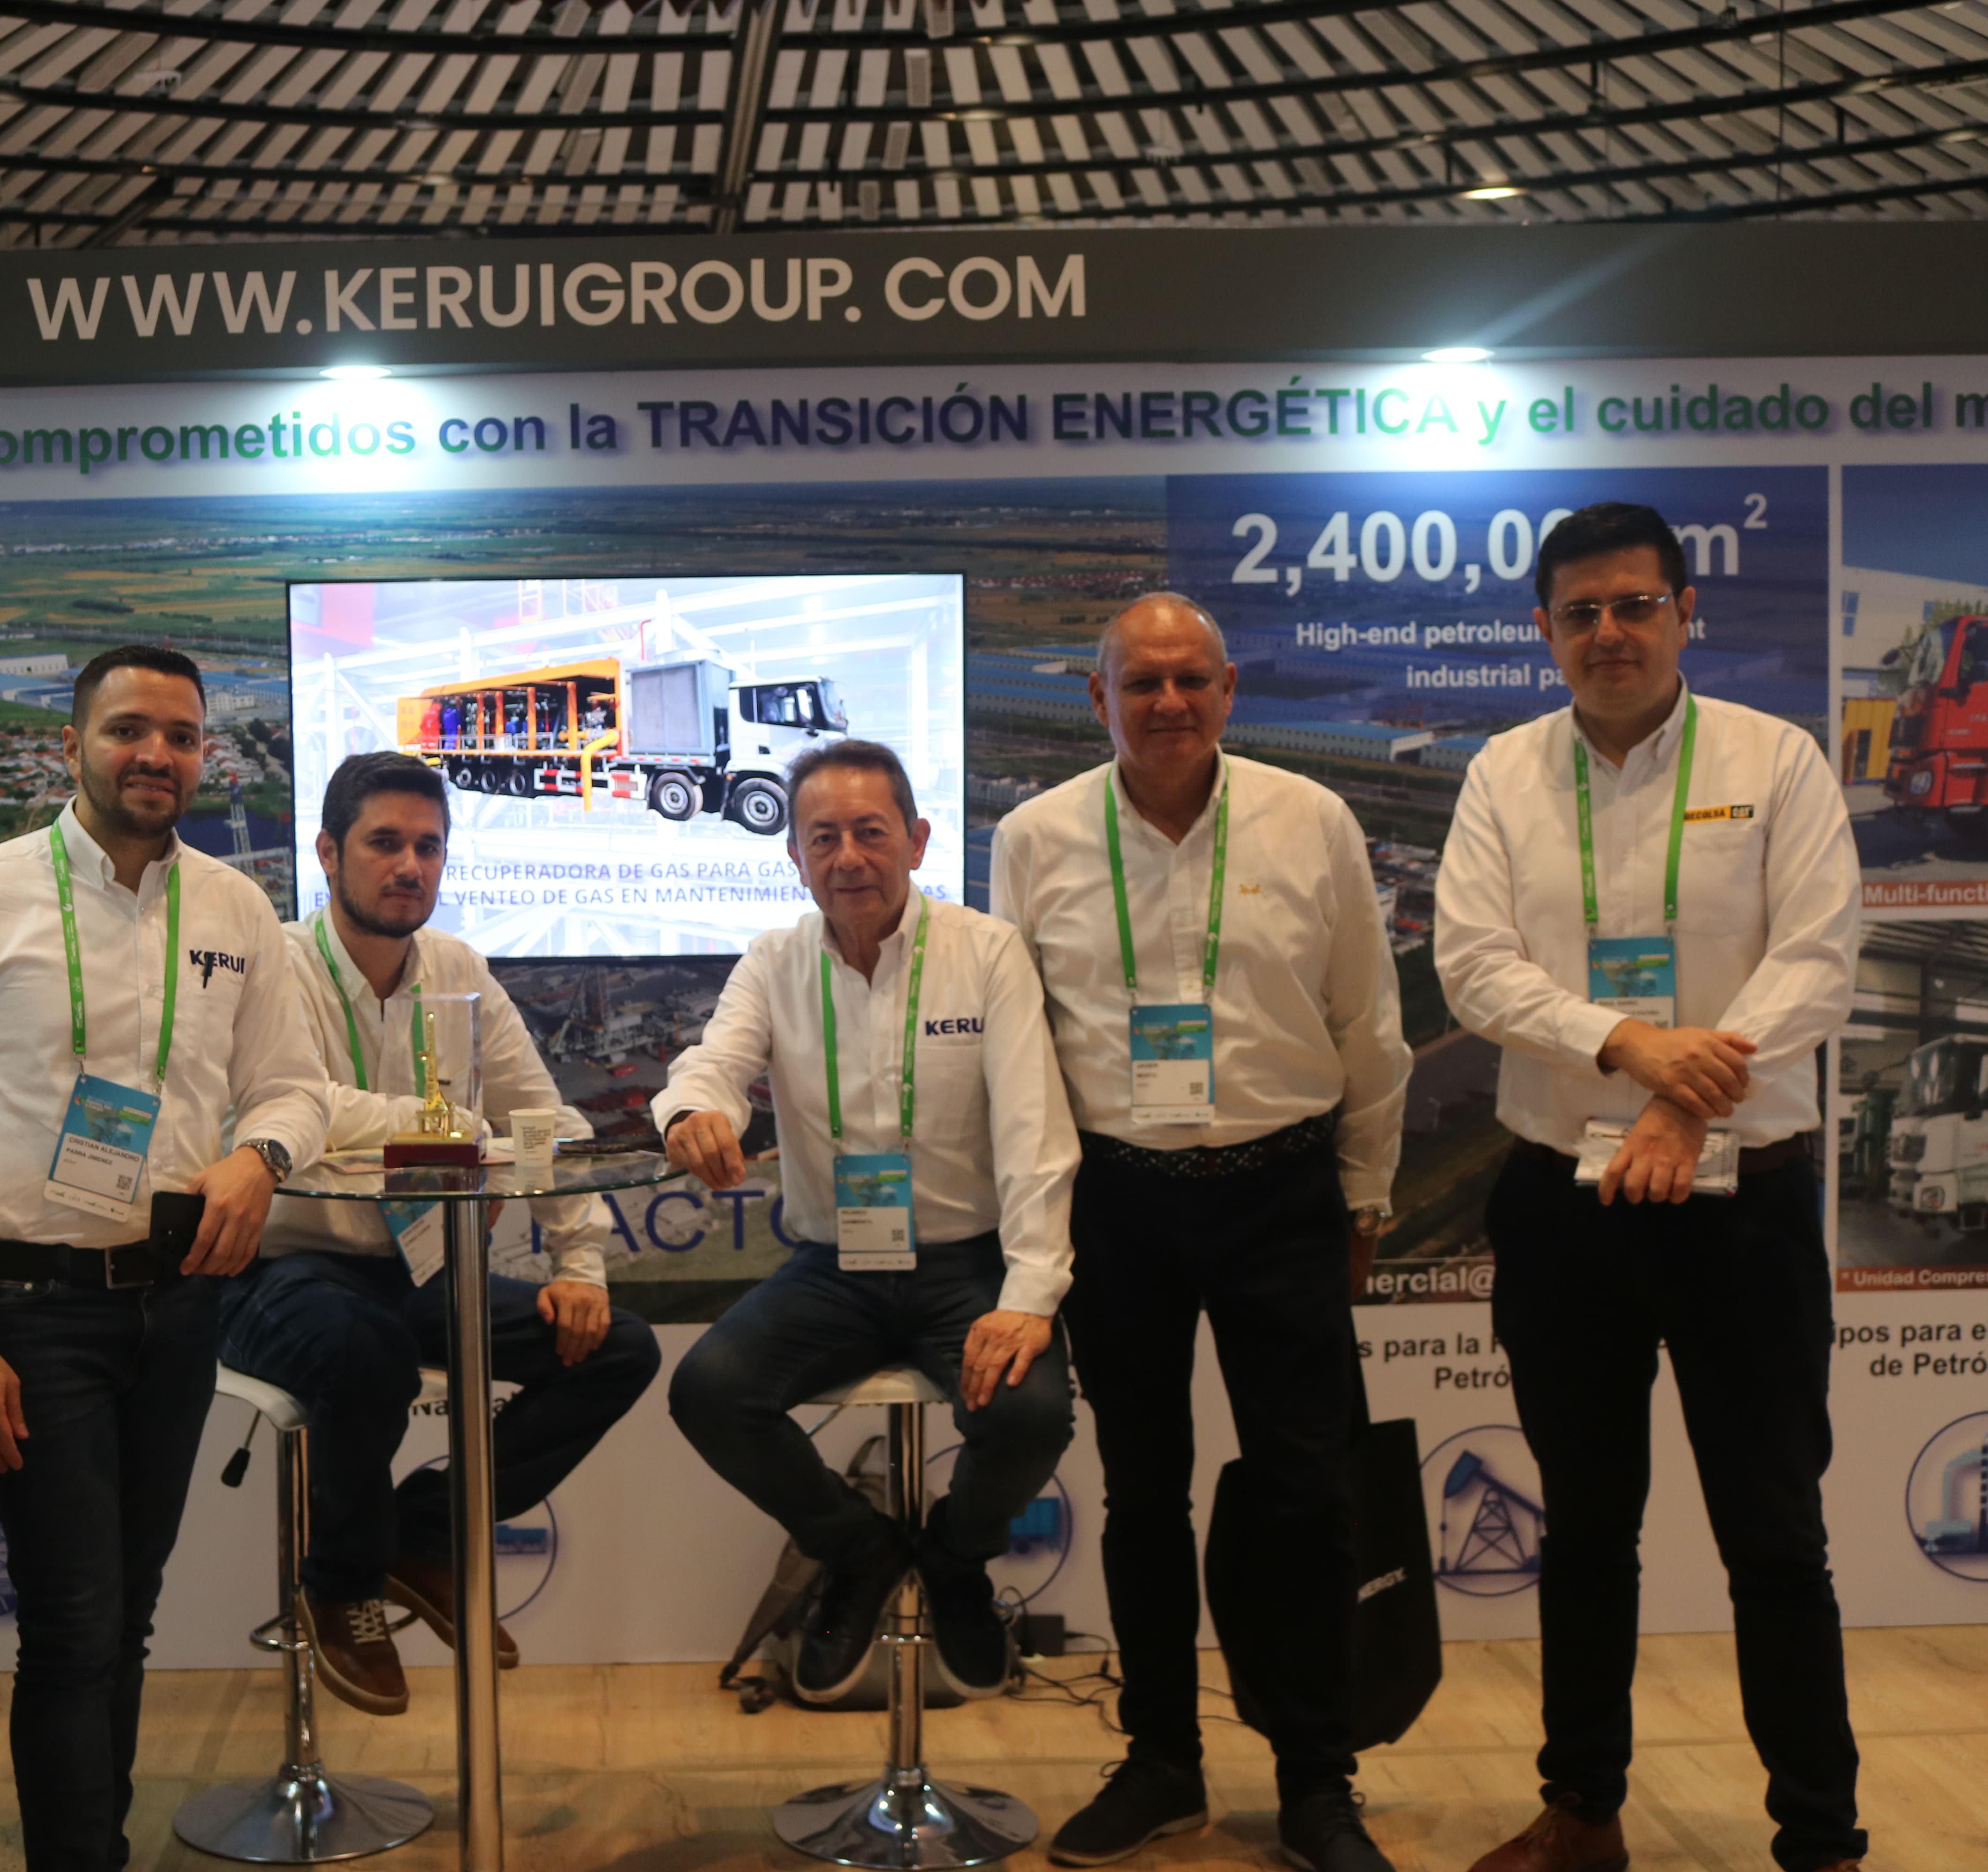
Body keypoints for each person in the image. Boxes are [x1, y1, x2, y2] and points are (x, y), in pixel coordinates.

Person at [1434, 504, 1866, 1872]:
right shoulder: (1503, 772)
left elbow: (1818, 959)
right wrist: (1630, 1046)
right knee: (1585, 1528)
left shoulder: (1776, 760)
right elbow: (1475, 966)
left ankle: (1820, 1838)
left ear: (1688, 612)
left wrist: (1684, 1101)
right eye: (1581, 613)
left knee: (1776, 1535)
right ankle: (1584, 1811)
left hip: (1743, 1206)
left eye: (1635, 605)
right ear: (1544, 630)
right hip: (1566, 1207)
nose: (1609, 633)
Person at [990, 592, 1412, 1872]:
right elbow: (1022, 1052)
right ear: (1097, 699)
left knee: (1307, 1493)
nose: (1168, 702)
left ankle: (1317, 1782)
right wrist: (1039, 1233)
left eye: (1192, 679)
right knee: (1141, 1495)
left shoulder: (1313, 819)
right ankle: (1162, 1759)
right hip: (1120, 1203)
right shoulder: (1034, 836)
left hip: (1282, 1195)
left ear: (1229, 689)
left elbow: (1368, 1023)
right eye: (1142, 682)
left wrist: (1365, 1193)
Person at [0, 644, 331, 1869]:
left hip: (179, 1304)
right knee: (74, 1620)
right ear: (72, 745)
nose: (157, 755)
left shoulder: (236, 907)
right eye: (128, 730)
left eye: (182, 736)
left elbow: (295, 1085)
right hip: (28, 1306)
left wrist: (260, 1156)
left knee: (127, 1616)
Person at [220, 751, 659, 1714]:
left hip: (411, 1270)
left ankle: (421, 1534)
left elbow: (542, 1118)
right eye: (385, 843)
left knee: (617, 1348)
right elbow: (296, 1106)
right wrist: (450, 1127)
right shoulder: (274, 964)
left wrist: (580, 1264)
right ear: (328, 852)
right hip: (276, 1273)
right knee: (363, 1347)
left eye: (428, 847)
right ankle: (342, 1583)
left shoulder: (458, 969)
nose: (409, 866)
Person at [659, 739, 1077, 1704]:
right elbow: (713, 1062)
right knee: (710, 1390)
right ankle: (860, 1550)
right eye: (824, 838)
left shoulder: (987, 952)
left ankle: (958, 1561)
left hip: (967, 1262)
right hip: (835, 1264)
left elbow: (1035, 1133)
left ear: (917, 841)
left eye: (871, 832)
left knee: (1030, 1415)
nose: (848, 857)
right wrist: (691, 1112)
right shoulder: (774, 960)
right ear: (794, 856)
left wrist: (1029, 1295)